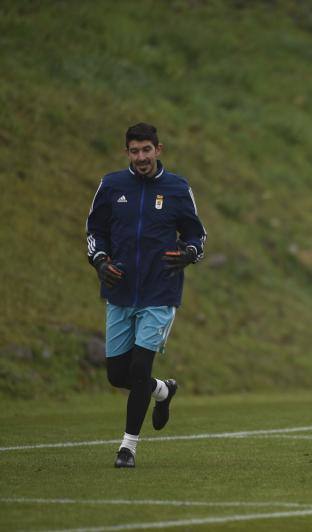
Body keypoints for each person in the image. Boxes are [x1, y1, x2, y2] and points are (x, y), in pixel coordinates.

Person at [85, 123, 207, 468]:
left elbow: (197, 235)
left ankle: (128, 447)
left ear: (159, 149)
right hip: (120, 290)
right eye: (134, 151)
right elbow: (95, 231)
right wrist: (99, 260)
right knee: (116, 374)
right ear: (127, 153)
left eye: (146, 150)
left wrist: (190, 253)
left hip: (160, 291)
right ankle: (163, 391)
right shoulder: (111, 186)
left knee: (139, 368)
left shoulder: (177, 188)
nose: (141, 157)